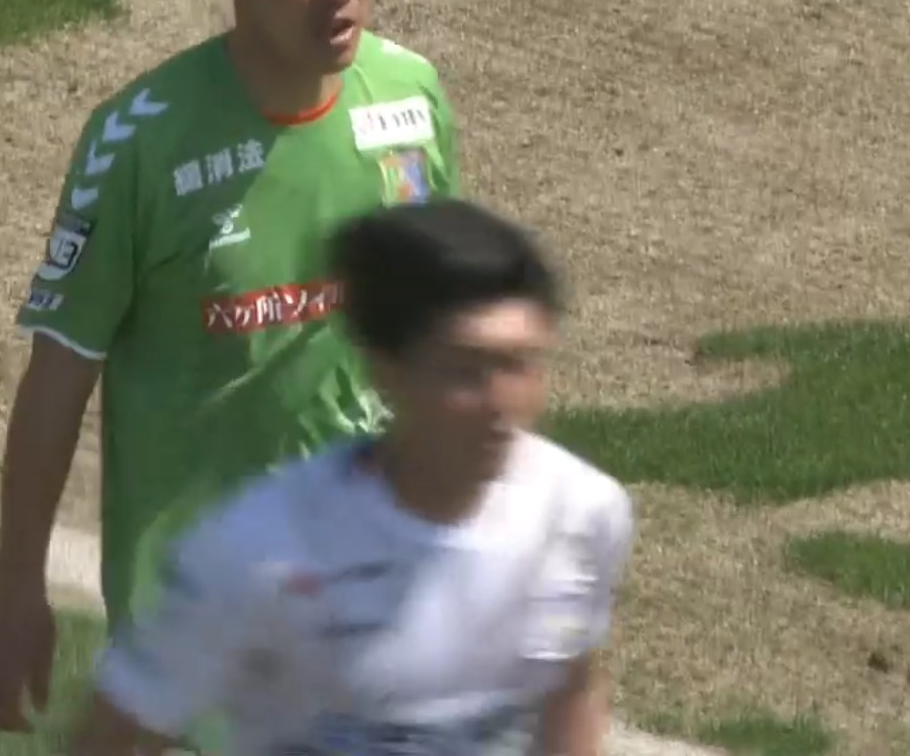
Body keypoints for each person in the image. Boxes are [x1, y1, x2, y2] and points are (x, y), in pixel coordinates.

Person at [0, 0, 463, 737]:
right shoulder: (140, 145)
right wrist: (16, 586)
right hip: (199, 622)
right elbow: (60, 371)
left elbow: (441, 328)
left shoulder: (411, 97)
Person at [66, 198, 635, 756]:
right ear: (387, 371)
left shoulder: (579, 514)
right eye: (465, 371)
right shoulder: (258, 550)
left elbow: (571, 686)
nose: (499, 402)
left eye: (519, 364)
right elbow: (117, 732)